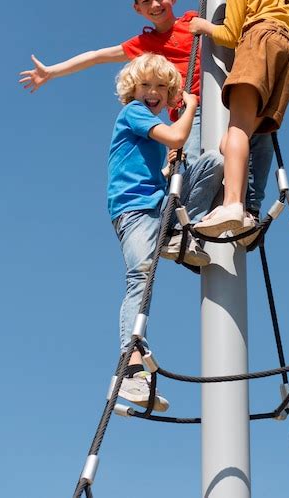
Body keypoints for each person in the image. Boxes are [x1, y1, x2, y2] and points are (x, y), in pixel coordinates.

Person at [19, 0, 273, 219]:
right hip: (189, 112)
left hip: (225, 100)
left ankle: (250, 208)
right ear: (137, 9)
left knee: (261, 136)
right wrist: (52, 71)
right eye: (146, 1)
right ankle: (190, 224)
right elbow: (96, 56)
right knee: (200, 164)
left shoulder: (194, 22)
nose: (155, 4)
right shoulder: (144, 44)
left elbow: (234, 25)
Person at [108, 54, 224, 411]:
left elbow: (162, 158)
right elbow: (177, 134)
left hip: (157, 204)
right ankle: (130, 369)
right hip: (134, 210)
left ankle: (179, 236)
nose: (153, 92)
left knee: (212, 163)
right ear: (133, 90)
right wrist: (189, 106)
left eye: (161, 86)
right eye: (146, 86)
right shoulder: (133, 113)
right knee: (139, 278)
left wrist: (168, 166)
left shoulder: (148, 124)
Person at [189, 0, 289, 238]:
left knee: (236, 130)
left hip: (258, 42)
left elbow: (231, 35)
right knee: (236, 140)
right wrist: (282, 27)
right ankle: (245, 211)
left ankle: (233, 203)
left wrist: (204, 25)